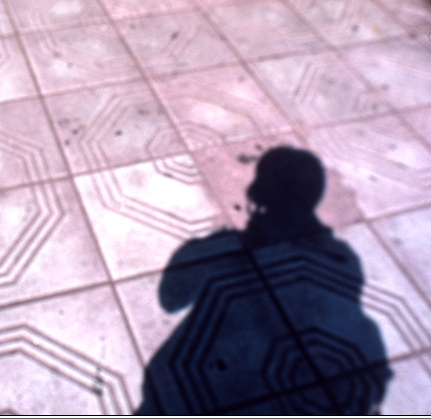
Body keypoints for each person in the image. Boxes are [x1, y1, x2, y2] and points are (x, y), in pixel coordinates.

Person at [137, 147, 392, 414]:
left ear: (259, 192)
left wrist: (219, 244)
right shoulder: (341, 259)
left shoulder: (231, 250)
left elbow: (171, 298)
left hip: (204, 391)